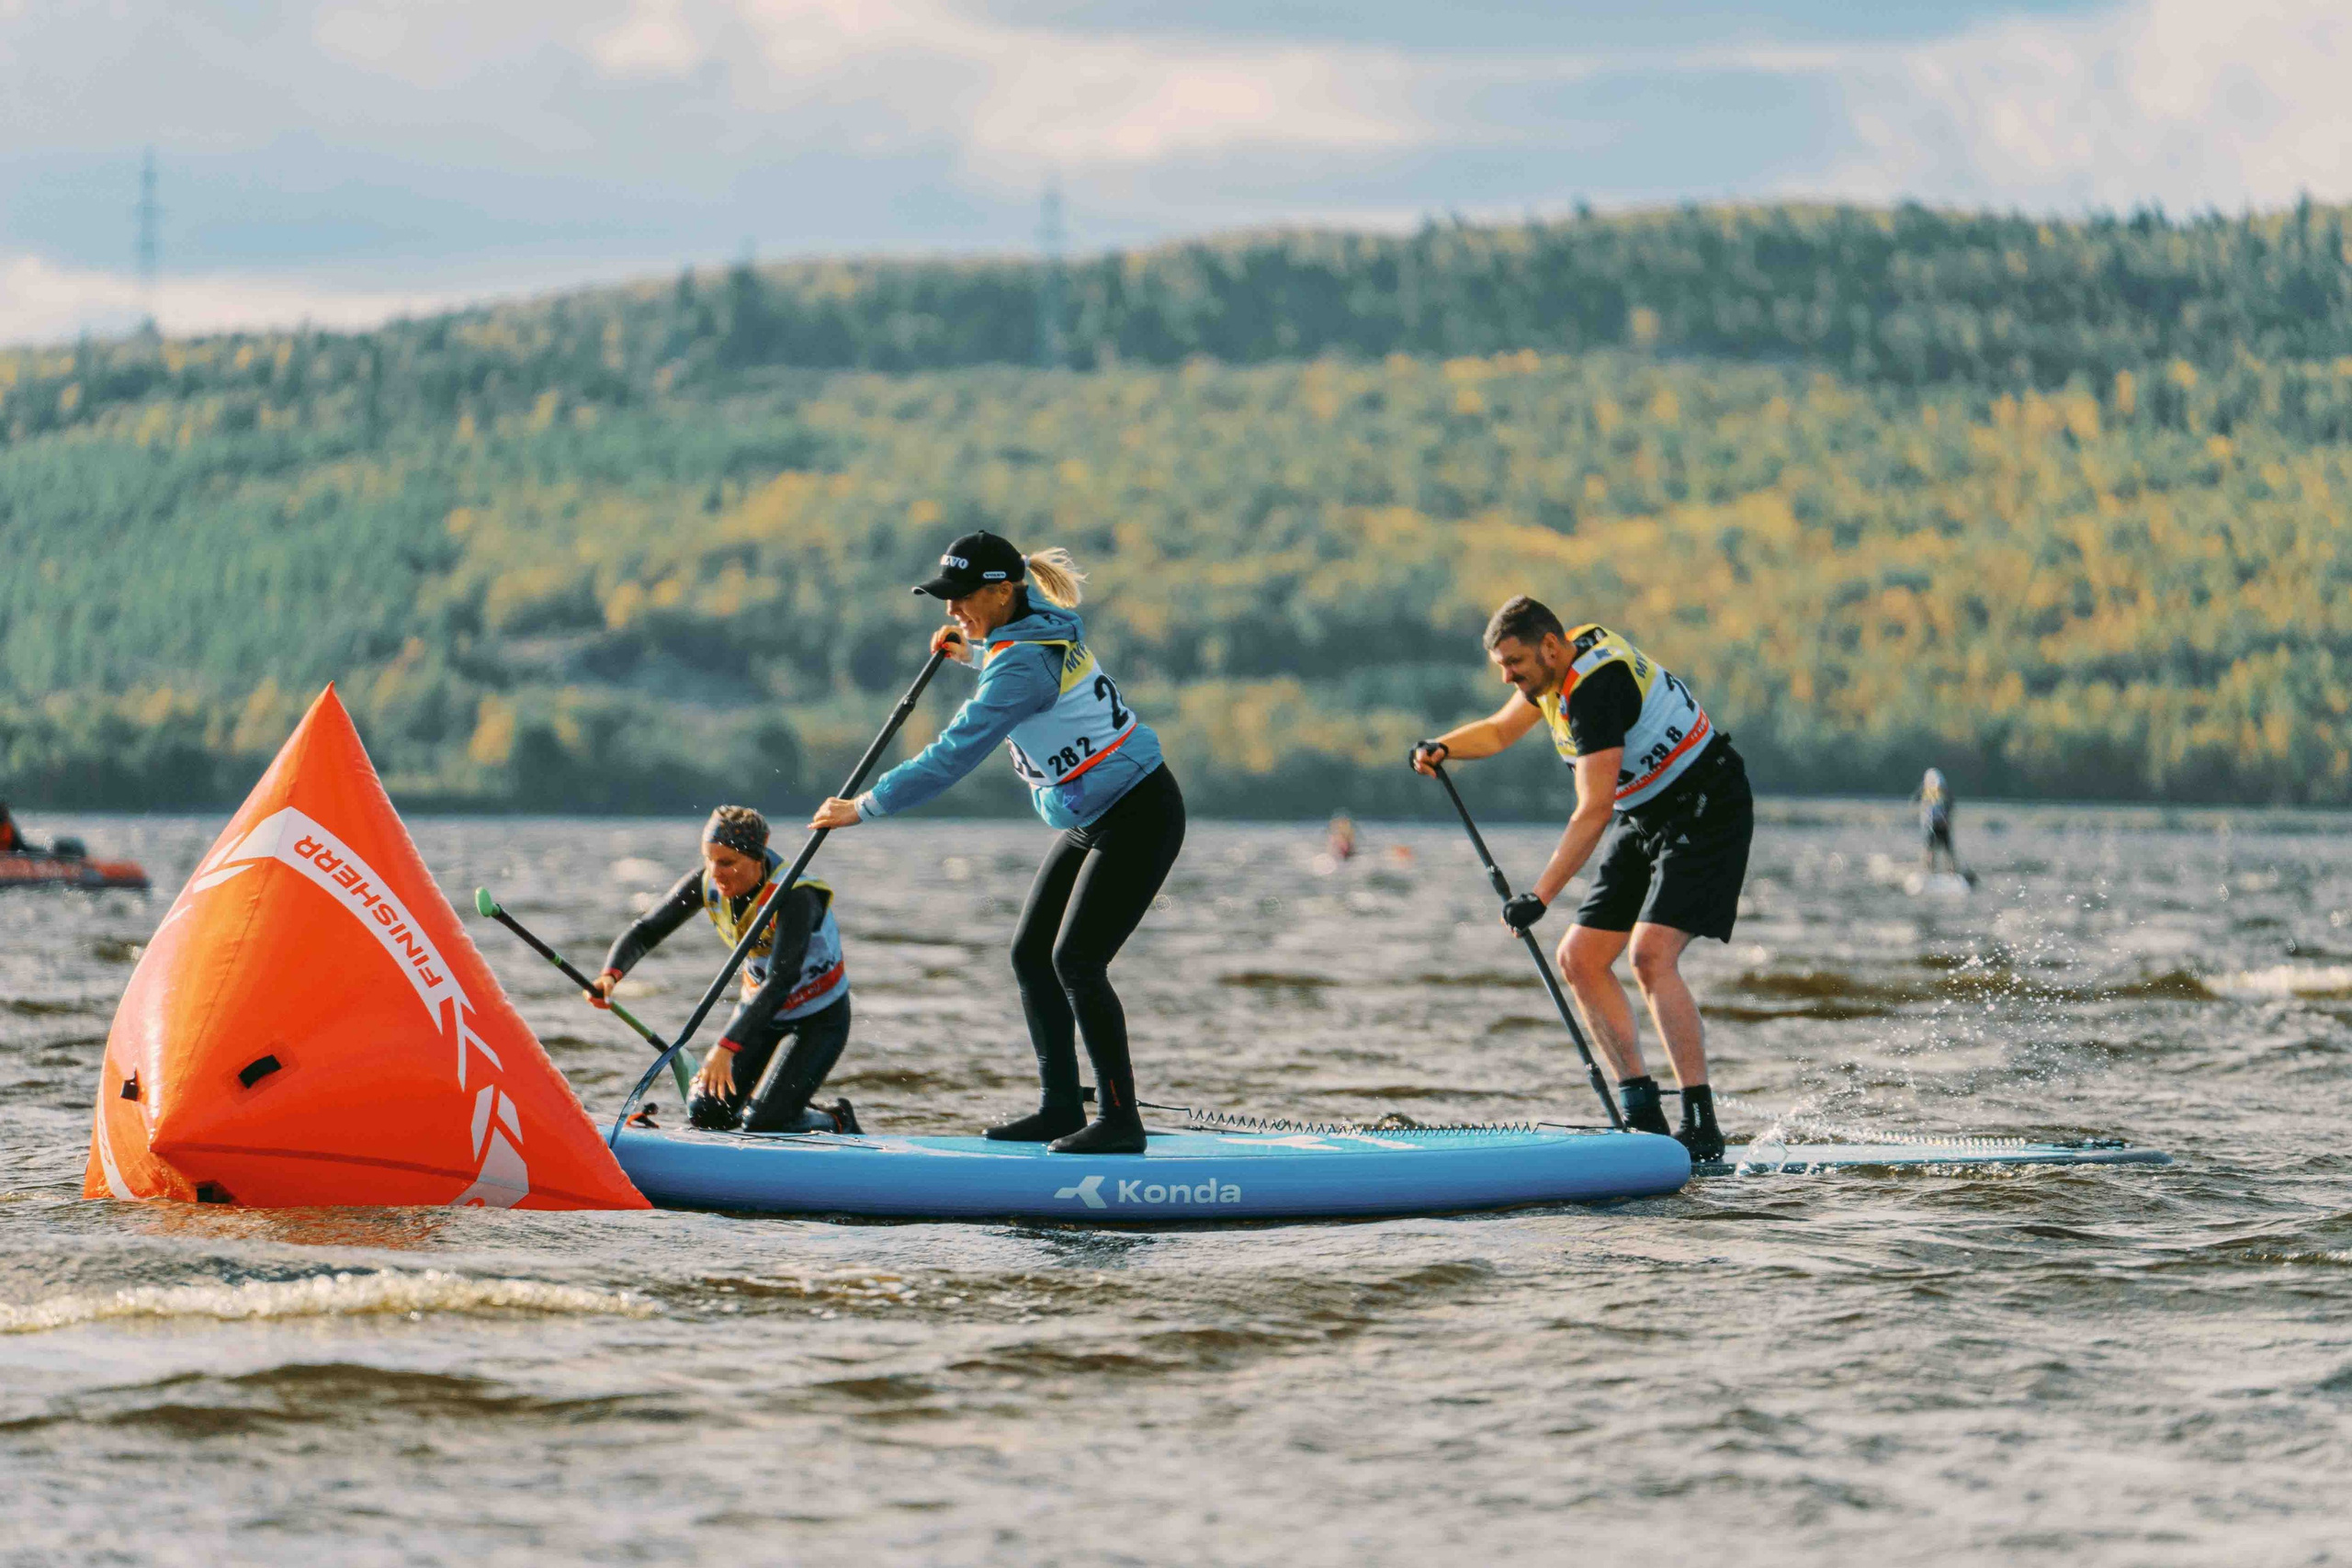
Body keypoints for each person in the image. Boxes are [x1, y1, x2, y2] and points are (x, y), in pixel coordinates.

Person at [808, 530, 1184, 1156]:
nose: (950, 610)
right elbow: (1025, 673)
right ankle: (1060, 1105)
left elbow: (953, 755)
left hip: (1141, 813)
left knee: (1077, 962)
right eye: (944, 599)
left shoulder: (1019, 662)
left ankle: (1122, 1121)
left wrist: (865, 806)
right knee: (1031, 954)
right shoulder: (1036, 629)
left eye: (960, 599)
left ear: (1002, 590)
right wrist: (973, 654)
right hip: (1097, 814)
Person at [1410, 596, 1753, 1160]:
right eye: (1500, 665)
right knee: (1580, 958)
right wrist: (1444, 746)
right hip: (1646, 811)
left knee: (1650, 956)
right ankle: (1643, 1119)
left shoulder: (1597, 689)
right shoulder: (1553, 671)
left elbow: (1592, 809)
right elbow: (1498, 733)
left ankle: (1701, 1127)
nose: (1507, 676)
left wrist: (1539, 897)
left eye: (1513, 662)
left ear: (1549, 646)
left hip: (1707, 804)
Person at [587, 806, 860, 1134]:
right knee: (706, 1112)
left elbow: (781, 979)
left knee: (765, 1123)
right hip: (761, 1014)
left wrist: (726, 1046)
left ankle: (836, 1118)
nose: (715, 872)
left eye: (727, 862)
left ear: (758, 859)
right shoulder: (709, 882)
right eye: (709, 859)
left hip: (820, 1018)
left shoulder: (796, 897)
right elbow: (647, 931)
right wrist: (609, 975)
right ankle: (769, 1108)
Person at [1916, 768, 1960, 874]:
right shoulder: (1927, 790)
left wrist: (1946, 819)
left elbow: (1950, 806)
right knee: (1931, 849)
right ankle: (1930, 870)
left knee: (1946, 849)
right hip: (1933, 824)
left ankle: (1952, 871)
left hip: (1941, 824)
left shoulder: (1942, 792)